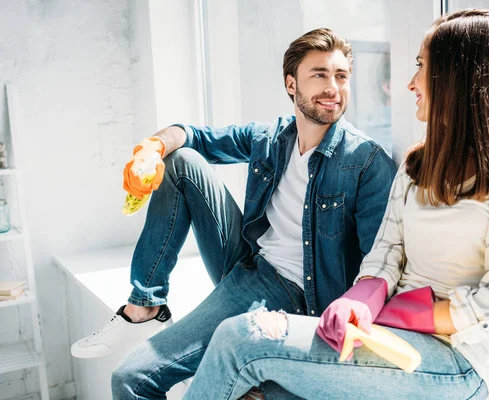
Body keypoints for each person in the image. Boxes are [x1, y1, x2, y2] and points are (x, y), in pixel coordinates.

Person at [183, 9, 489, 400]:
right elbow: (386, 252)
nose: (410, 83)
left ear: (458, 78)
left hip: (459, 361)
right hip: (387, 338)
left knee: (239, 338)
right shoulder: (420, 164)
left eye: (422, 67)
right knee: (265, 387)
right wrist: (360, 300)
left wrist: (400, 313)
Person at [70, 27, 397, 398]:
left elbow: (380, 268)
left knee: (132, 378)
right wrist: (153, 147)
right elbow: (194, 136)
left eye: (341, 76)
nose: (333, 88)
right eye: (319, 75)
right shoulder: (272, 137)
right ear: (292, 85)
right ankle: (144, 304)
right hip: (248, 264)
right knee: (181, 162)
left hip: (295, 296)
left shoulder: (365, 162)